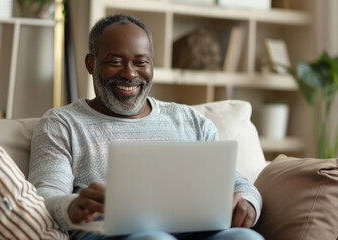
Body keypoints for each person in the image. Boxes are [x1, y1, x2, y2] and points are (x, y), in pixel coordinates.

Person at [28, 14, 264, 240]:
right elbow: (45, 194)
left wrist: (247, 204)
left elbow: (238, 184)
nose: (130, 73)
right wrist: (72, 206)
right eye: (115, 62)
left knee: (245, 237)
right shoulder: (62, 123)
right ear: (91, 64)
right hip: (109, 234)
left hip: (195, 232)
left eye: (141, 62)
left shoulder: (192, 121)